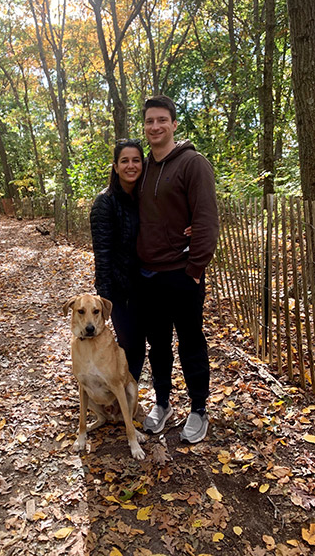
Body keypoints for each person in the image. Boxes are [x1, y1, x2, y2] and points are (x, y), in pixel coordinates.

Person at [137, 95, 219, 443]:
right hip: (148, 275)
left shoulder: (192, 164)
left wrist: (196, 267)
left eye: (161, 120)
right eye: (149, 121)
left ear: (173, 124)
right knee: (157, 345)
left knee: (190, 342)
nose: (155, 127)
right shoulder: (142, 168)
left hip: (182, 274)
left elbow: (206, 219)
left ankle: (198, 409)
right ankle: (163, 403)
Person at [90, 139, 146, 382]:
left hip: (149, 284)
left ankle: (129, 396)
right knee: (129, 345)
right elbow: (102, 254)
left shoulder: (146, 197)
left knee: (142, 345)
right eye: (125, 161)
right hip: (121, 291)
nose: (130, 166)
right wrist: (104, 298)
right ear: (115, 166)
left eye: (136, 160)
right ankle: (122, 397)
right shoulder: (105, 202)